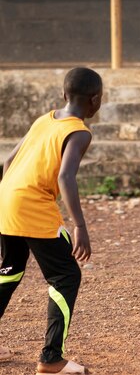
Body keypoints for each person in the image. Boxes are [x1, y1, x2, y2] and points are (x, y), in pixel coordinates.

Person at [0, 67, 102, 374]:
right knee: (66, 276)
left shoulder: (45, 119)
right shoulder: (80, 131)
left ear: (63, 95)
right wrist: (80, 227)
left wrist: (9, 200)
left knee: (9, 271)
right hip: (31, 204)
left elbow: (7, 161)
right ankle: (51, 358)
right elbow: (65, 176)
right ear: (95, 101)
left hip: (6, 197)